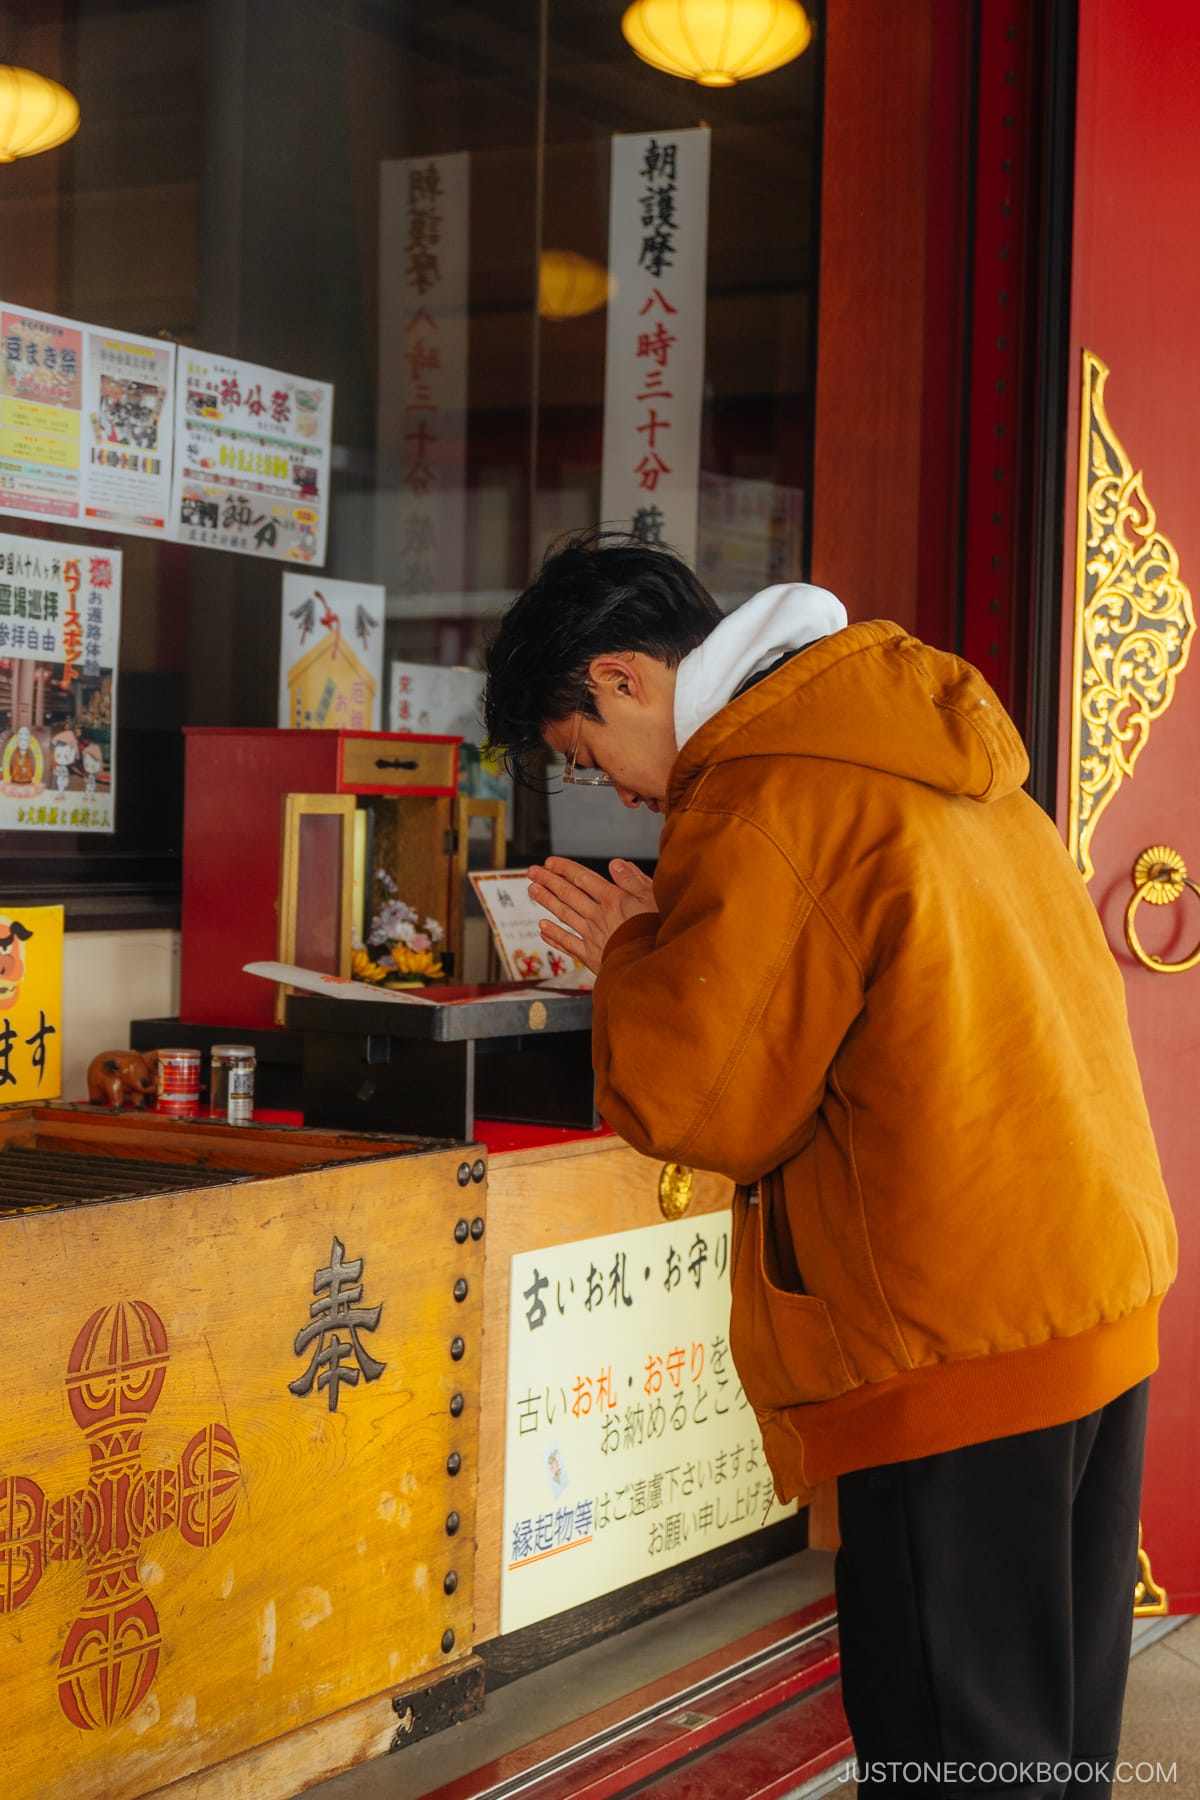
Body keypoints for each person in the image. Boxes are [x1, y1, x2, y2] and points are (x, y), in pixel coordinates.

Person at [482, 532, 1177, 1800]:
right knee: (1051, 1736)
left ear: (624, 677)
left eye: (587, 755)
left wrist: (634, 951)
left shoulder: (768, 792)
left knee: (955, 1752)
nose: (621, 796)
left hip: (948, 1338)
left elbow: (703, 1100)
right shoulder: (929, 743)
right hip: (1087, 1293)